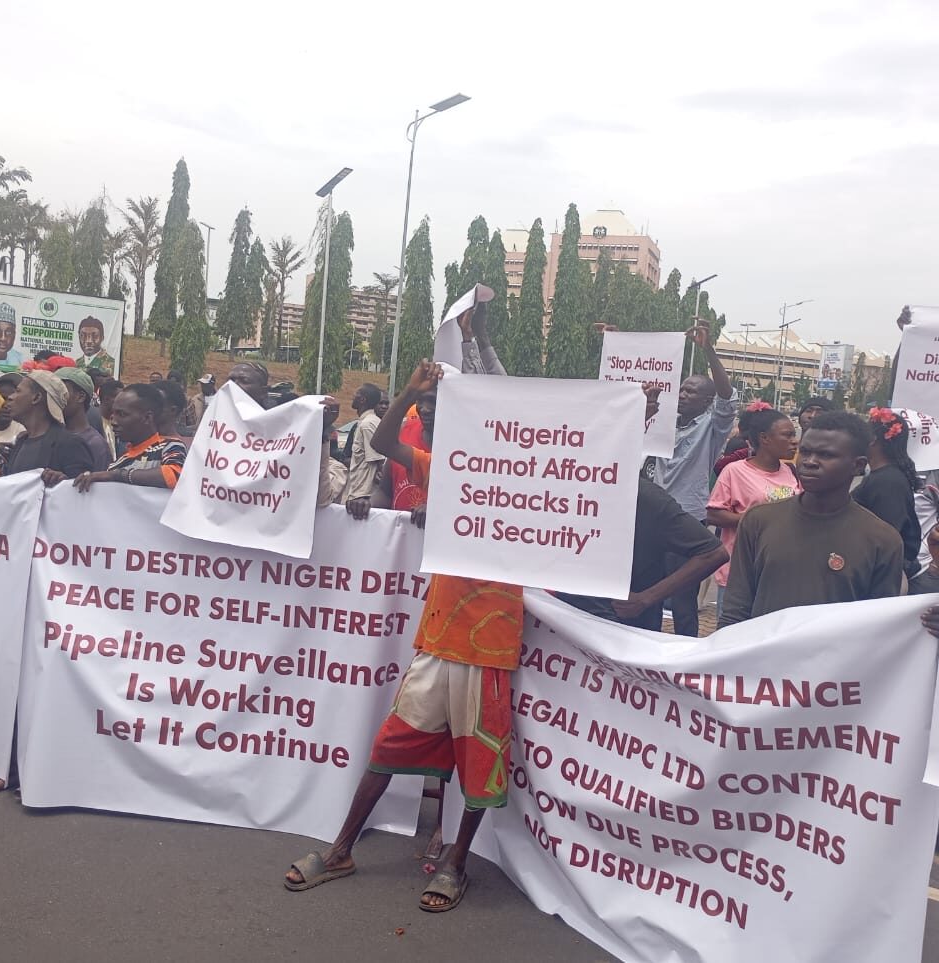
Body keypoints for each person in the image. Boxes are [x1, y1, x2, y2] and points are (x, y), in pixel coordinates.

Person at [285, 303, 519, 912]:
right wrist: (411, 393)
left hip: (492, 646)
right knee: (391, 746)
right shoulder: (445, 470)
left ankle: (456, 862)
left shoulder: (529, 489)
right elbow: (385, 442)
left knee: (479, 762)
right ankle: (341, 848)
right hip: (440, 638)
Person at [720, 411, 904, 626]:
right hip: (762, 647)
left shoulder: (882, 540)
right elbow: (736, 609)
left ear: (858, 465)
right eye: (805, 452)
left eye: (826, 455)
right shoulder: (758, 520)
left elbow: (879, 625)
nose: (810, 462)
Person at [653, 324, 738, 635]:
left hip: (686, 517)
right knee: (649, 586)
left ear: (706, 401)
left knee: (682, 595)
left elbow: (727, 397)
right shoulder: (662, 421)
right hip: (653, 515)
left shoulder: (712, 427)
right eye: (682, 389)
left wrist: (708, 350)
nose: (683, 394)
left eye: (692, 391)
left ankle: (685, 648)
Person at [557, 478, 728, 631]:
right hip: (557, 626)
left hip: (624, 632)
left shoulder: (646, 497)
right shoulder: (554, 491)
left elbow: (713, 553)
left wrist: (646, 598)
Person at [706, 407, 801, 615]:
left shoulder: (790, 472)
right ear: (764, 438)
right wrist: (757, 520)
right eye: (787, 435)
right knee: (733, 630)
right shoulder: (735, 471)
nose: (794, 441)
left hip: (778, 572)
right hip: (739, 572)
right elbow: (713, 514)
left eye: (794, 435)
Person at [73, 384, 187, 492]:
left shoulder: (170, 447)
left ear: (147, 417)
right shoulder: (117, 465)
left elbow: (174, 475)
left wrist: (117, 475)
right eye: (113, 414)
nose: (113, 422)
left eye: (122, 414)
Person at [852, 407, 922, 581]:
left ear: (873, 439)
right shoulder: (882, 476)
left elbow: (885, 536)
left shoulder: (888, 482)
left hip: (883, 575)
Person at [0, 369, 94, 483]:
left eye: (18, 391)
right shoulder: (21, 442)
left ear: (36, 398)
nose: (10, 397)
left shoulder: (69, 444)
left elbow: (81, 488)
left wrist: (64, 482)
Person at [55, 367, 114, 471]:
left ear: (80, 397)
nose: (54, 397)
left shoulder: (95, 444)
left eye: (60, 391)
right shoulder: (51, 435)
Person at [340, 383, 385, 519]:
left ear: (362, 400)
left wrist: (367, 498)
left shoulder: (368, 424)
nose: (352, 397)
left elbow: (380, 462)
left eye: (356, 394)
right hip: (358, 492)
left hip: (363, 497)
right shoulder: (365, 422)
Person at [95, 379, 124, 460]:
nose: (123, 401)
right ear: (106, 399)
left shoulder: (119, 422)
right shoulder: (93, 421)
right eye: (120, 398)